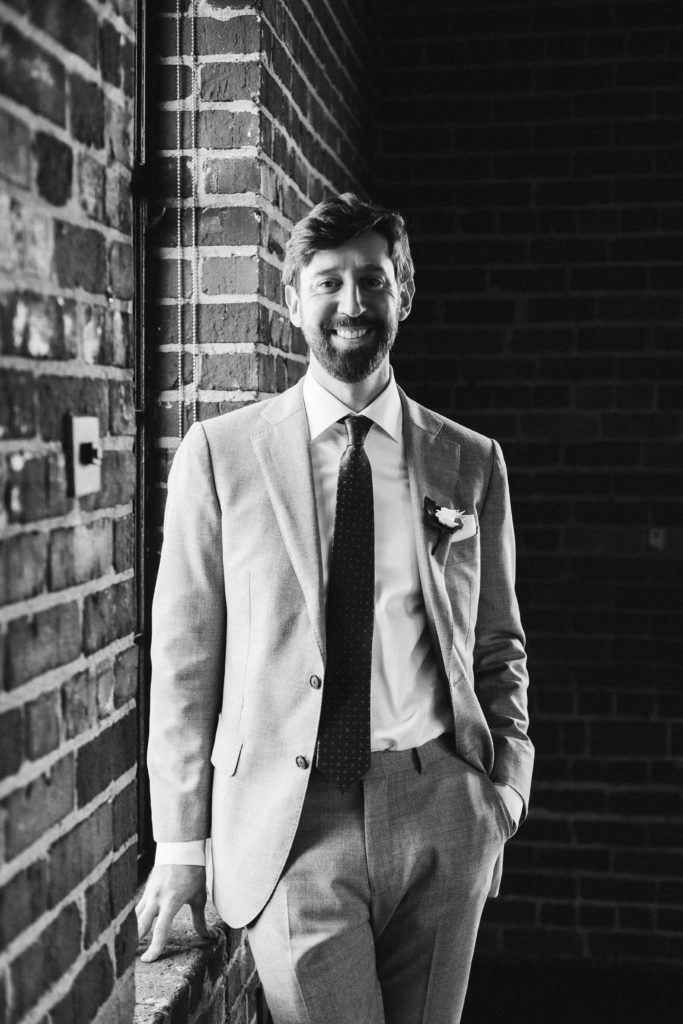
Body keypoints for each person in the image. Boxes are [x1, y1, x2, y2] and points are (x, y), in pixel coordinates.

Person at [136, 192, 534, 1024]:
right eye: (327, 283)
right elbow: (184, 660)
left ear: (403, 293)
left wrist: (504, 794)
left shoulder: (469, 461)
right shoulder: (222, 455)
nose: (351, 304)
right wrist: (180, 847)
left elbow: (497, 643)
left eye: (372, 280)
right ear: (293, 301)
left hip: (441, 806)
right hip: (291, 827)